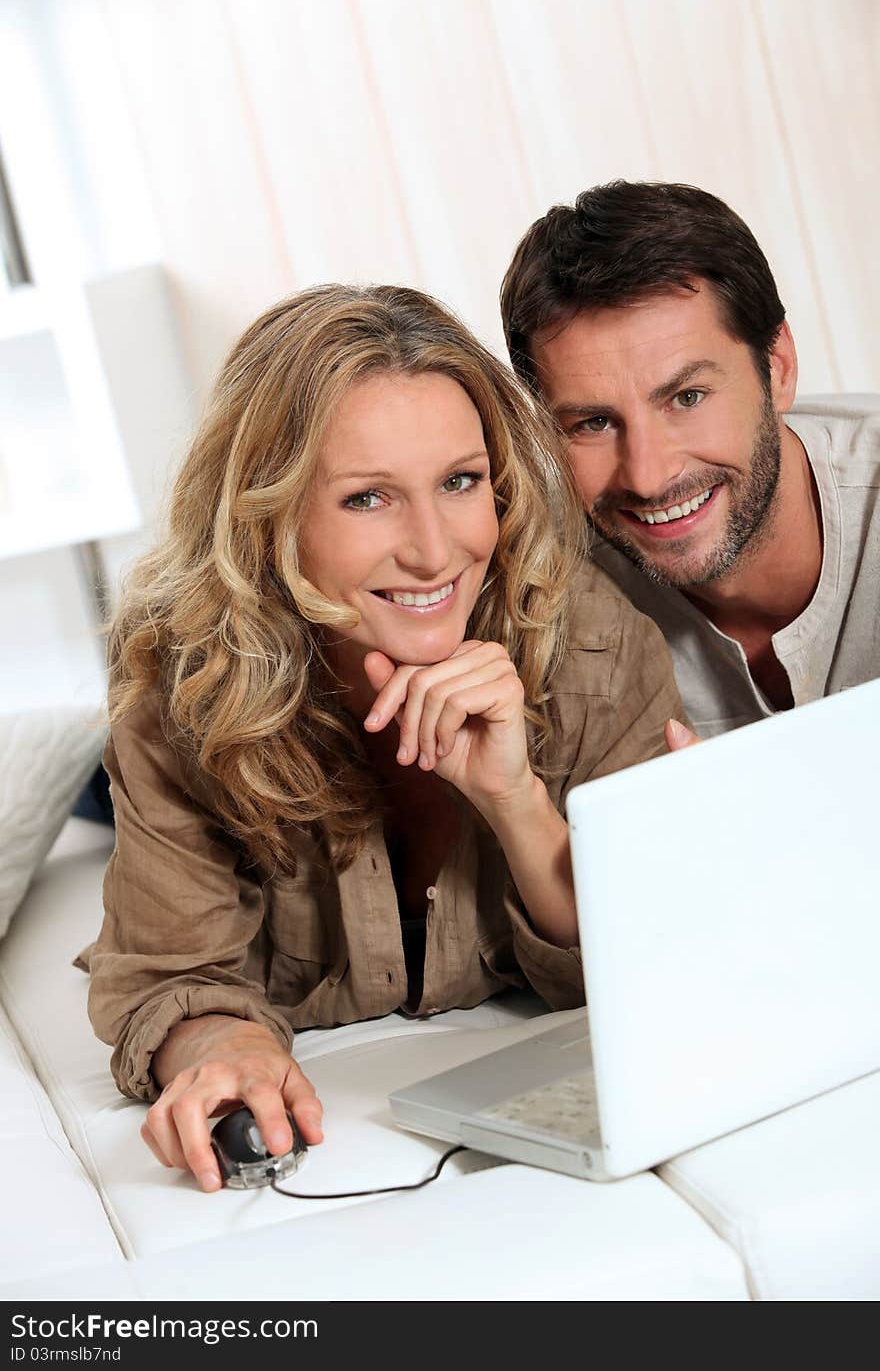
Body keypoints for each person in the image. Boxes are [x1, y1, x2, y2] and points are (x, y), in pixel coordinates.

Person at [88, 284, 684, 1192]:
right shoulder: (180, 703)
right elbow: (169, 976)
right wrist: (226, 1047)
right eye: (368, 498)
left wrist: (514, 799)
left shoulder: (599, 650)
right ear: (267, 516)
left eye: (461, 482)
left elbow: (644, 963)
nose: (435, 550)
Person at [500, 180, 880, 741]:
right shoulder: (546, 597)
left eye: (687, 398)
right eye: (594, 423)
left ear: (777, 367)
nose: (649, 476)